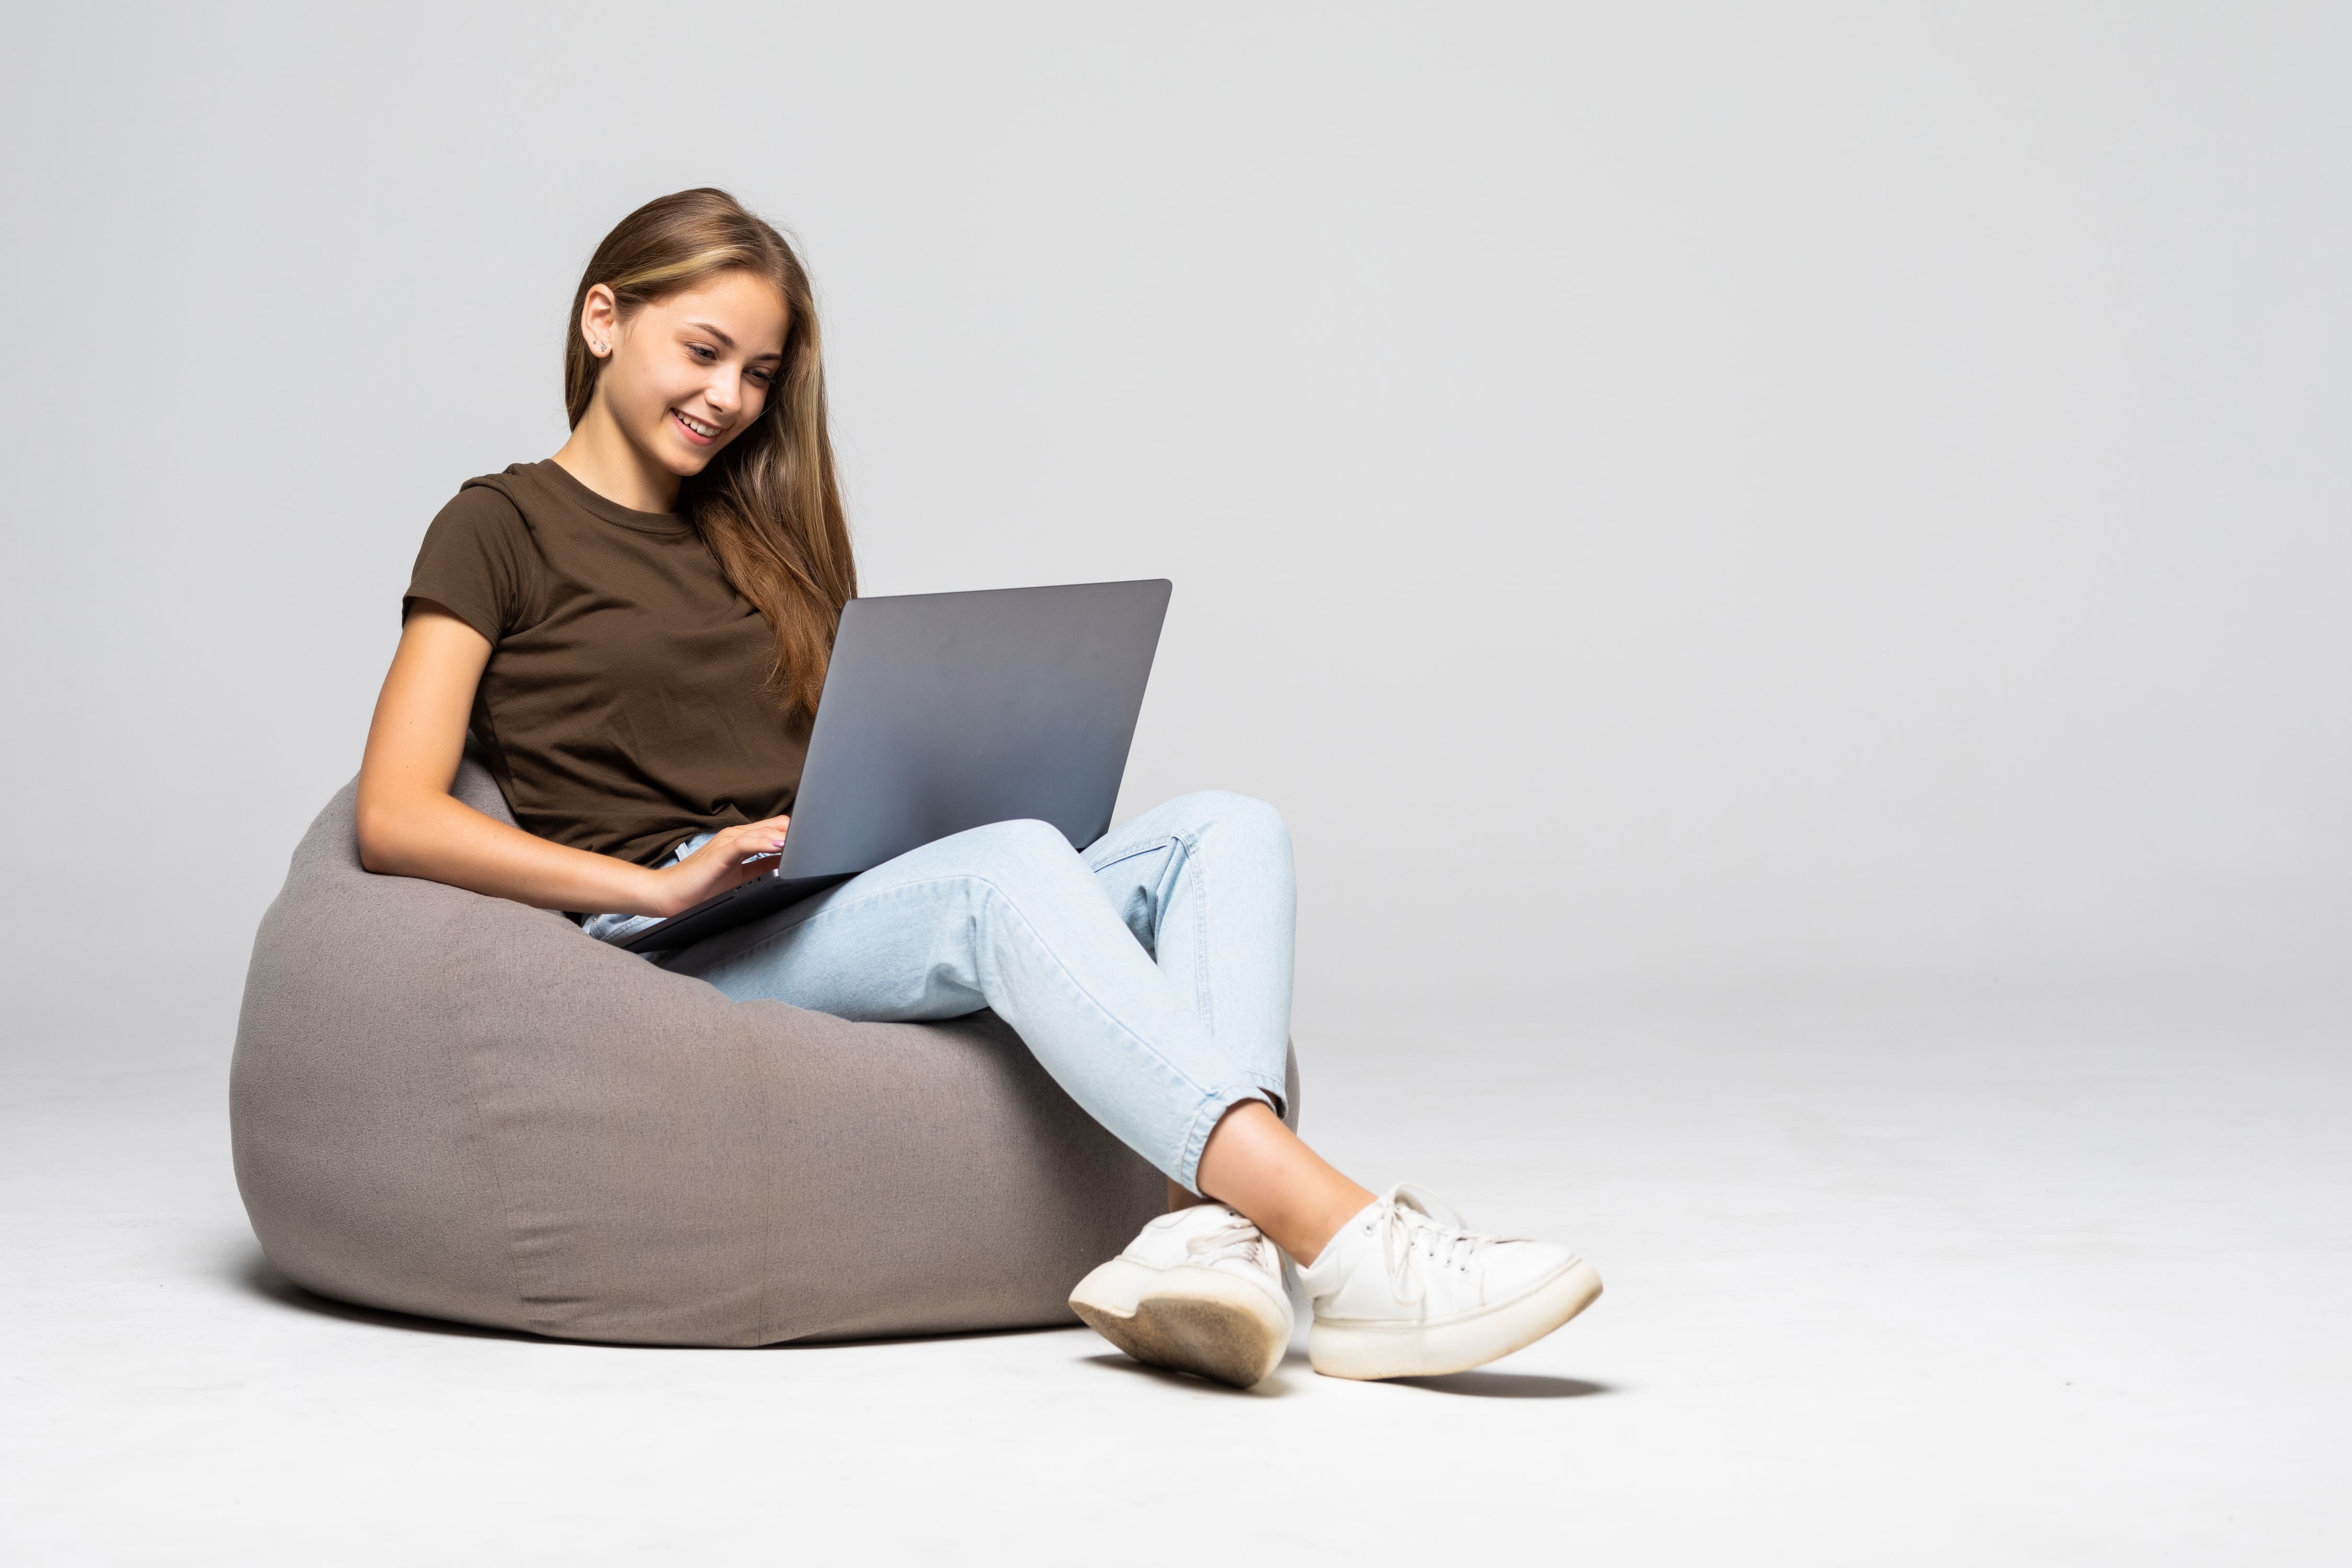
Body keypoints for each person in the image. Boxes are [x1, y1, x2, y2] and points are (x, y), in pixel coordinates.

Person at [356, 187, 1601, 1388]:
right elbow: (396, 811)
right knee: (1007, 870)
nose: (730, 398)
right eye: (704, 350)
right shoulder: (498, 526)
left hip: (823, 891)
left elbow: (846, 764)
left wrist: (937, 790)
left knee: (1229, 828)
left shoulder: (758, 542)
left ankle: (1202, 1243)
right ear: (603, 319)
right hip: (688, 937)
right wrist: (654, 883)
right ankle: (1347, 1245)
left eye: (761, 373)